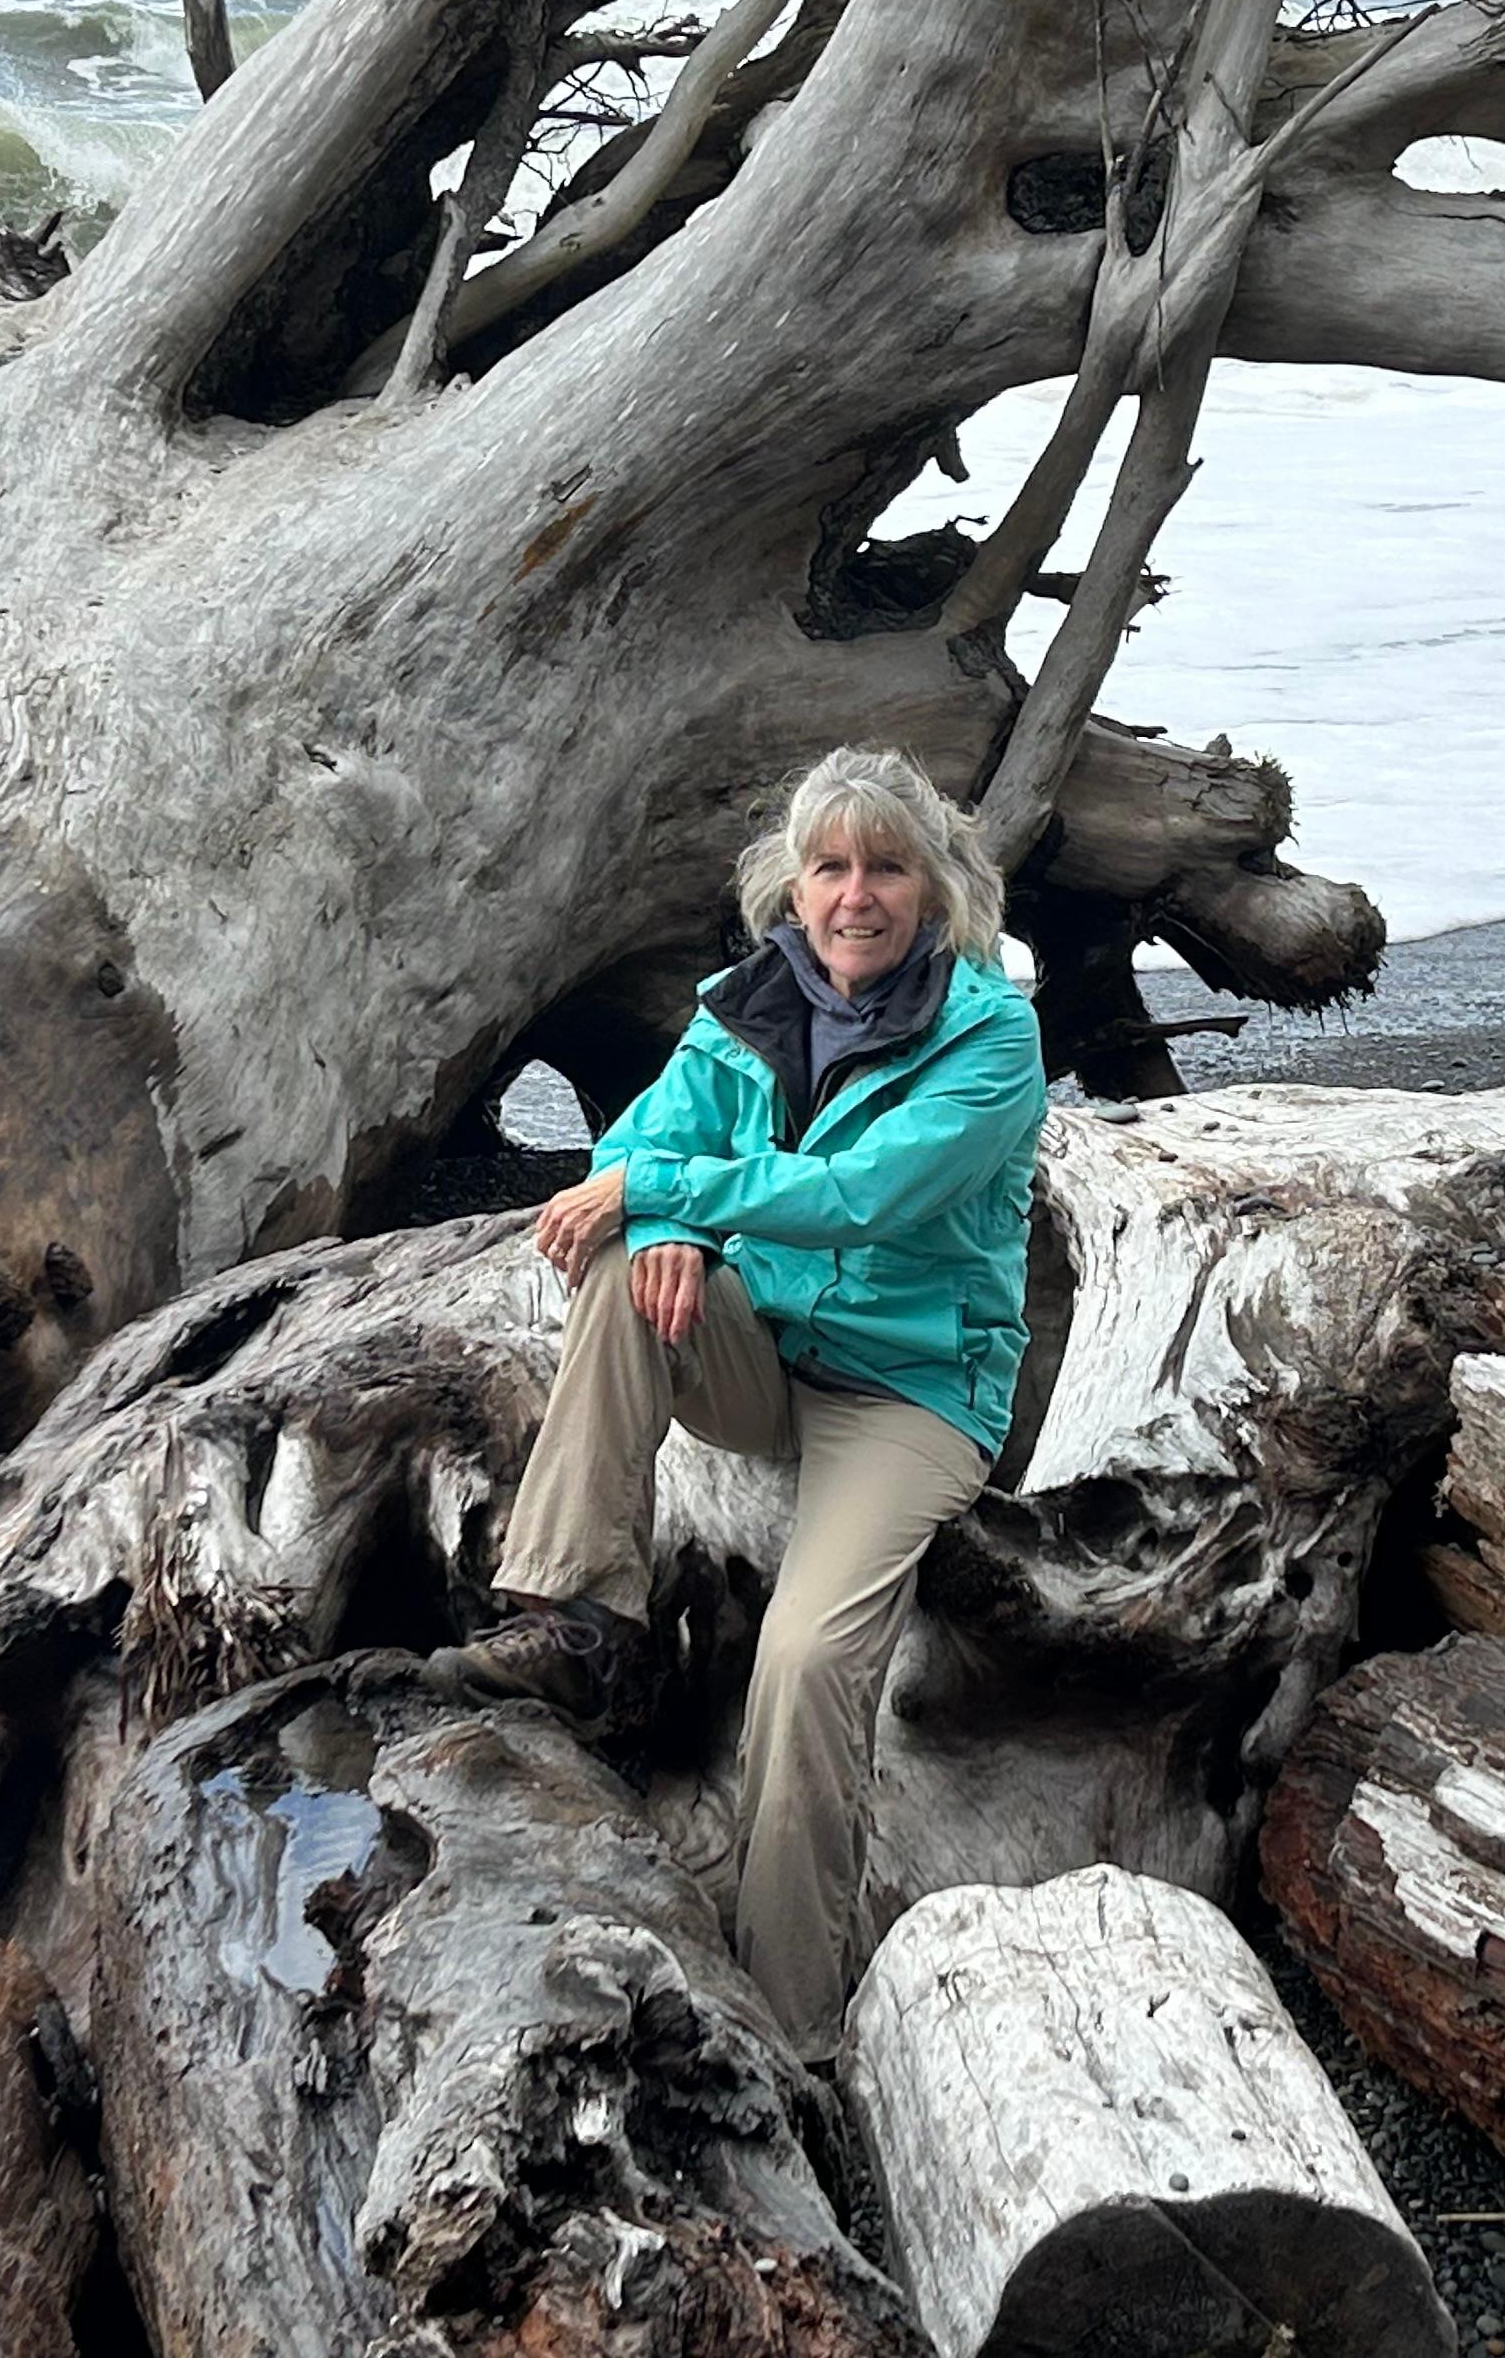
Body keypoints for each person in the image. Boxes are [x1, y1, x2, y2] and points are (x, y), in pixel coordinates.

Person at [430, 745, 1049, 2058]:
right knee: (616, 1248)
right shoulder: (749, 1004)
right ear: (796, 883)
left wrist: (680, 1203)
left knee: (809, 1662)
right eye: (831, 866)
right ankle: (580, 1612)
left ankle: (792, 2028)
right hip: (761, 1355)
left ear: (935, 889)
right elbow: (630, 1149)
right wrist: (667, 1222)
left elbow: (864, 1196)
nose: (857, 894)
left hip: (909, 1394)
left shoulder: (992, 1035)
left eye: (887, 866)